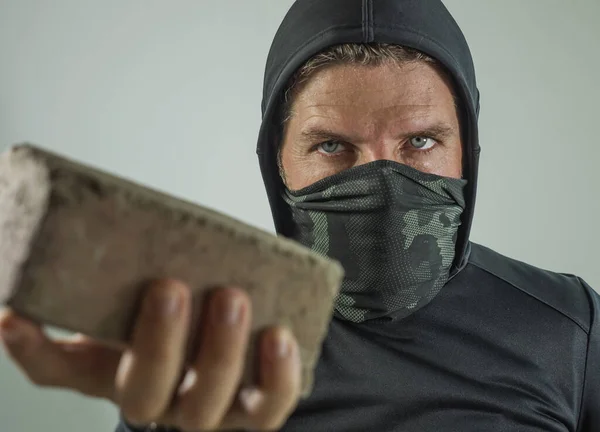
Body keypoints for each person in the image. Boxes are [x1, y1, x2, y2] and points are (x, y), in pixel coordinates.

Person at [1, 0, 598, 430]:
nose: (382, 178)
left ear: (466, 149)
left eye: (419, 142)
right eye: (333, 145)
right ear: (276, 163)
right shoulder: (204, 337)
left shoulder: (571, 327)